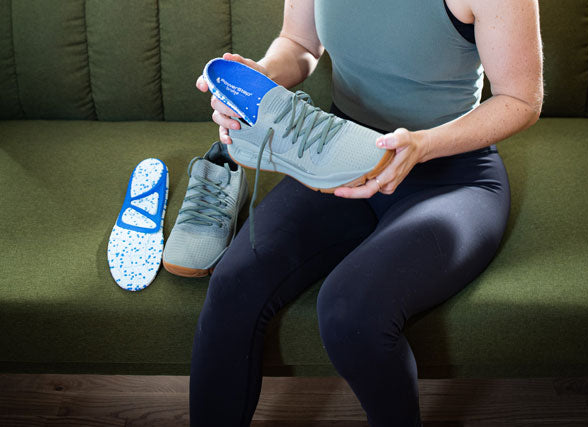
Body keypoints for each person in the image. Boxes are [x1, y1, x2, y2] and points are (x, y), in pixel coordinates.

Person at [190, 0, 543, 425]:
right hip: (339, 152)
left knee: (350, 312)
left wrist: (422, 145)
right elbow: (300, 43)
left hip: (451, 174)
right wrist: (260, 82)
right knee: (234, 283)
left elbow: (522, 99)